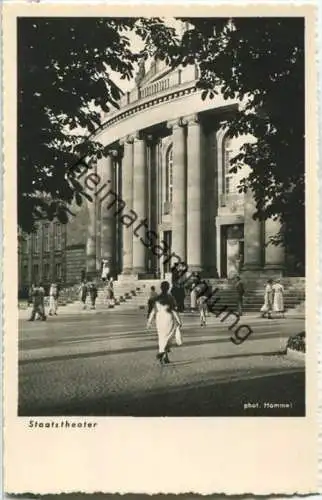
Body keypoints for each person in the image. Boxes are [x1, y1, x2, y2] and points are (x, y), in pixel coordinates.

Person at [147, 281, 182, 365]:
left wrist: (149, 321)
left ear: (161, 288)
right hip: (168, 318)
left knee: (161, 338)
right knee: (168, 338)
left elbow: (153, 311)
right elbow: (174, 310)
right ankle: (162, 353)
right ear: (168, 288)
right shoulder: (170, 298)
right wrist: (179, 320)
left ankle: (164, 356)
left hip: (159, 319)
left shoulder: (157, 298)